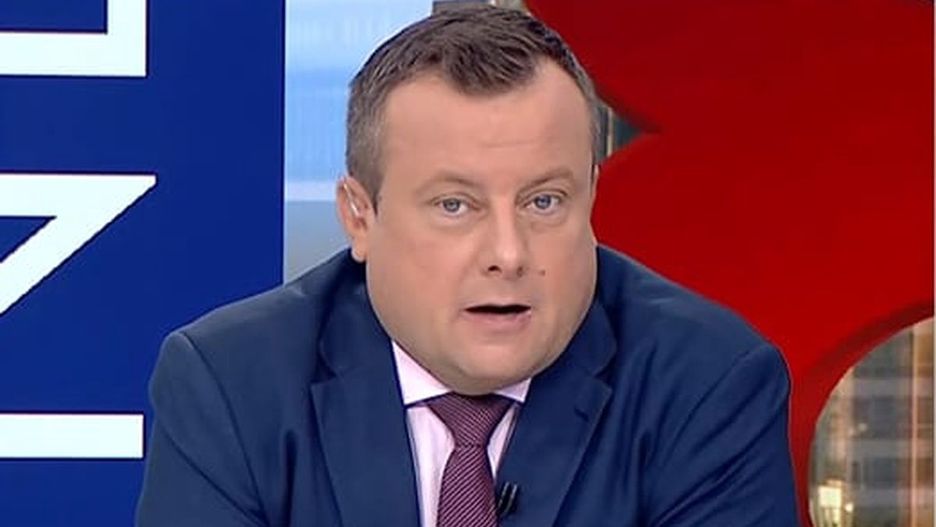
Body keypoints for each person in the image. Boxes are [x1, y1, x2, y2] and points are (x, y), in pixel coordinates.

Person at [136, 5, 798, 526]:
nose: (508, 254)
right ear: (359, 216)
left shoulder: (706, 383)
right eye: (455, 205)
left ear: (592, 197)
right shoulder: (234, 386)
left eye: (544, 201)